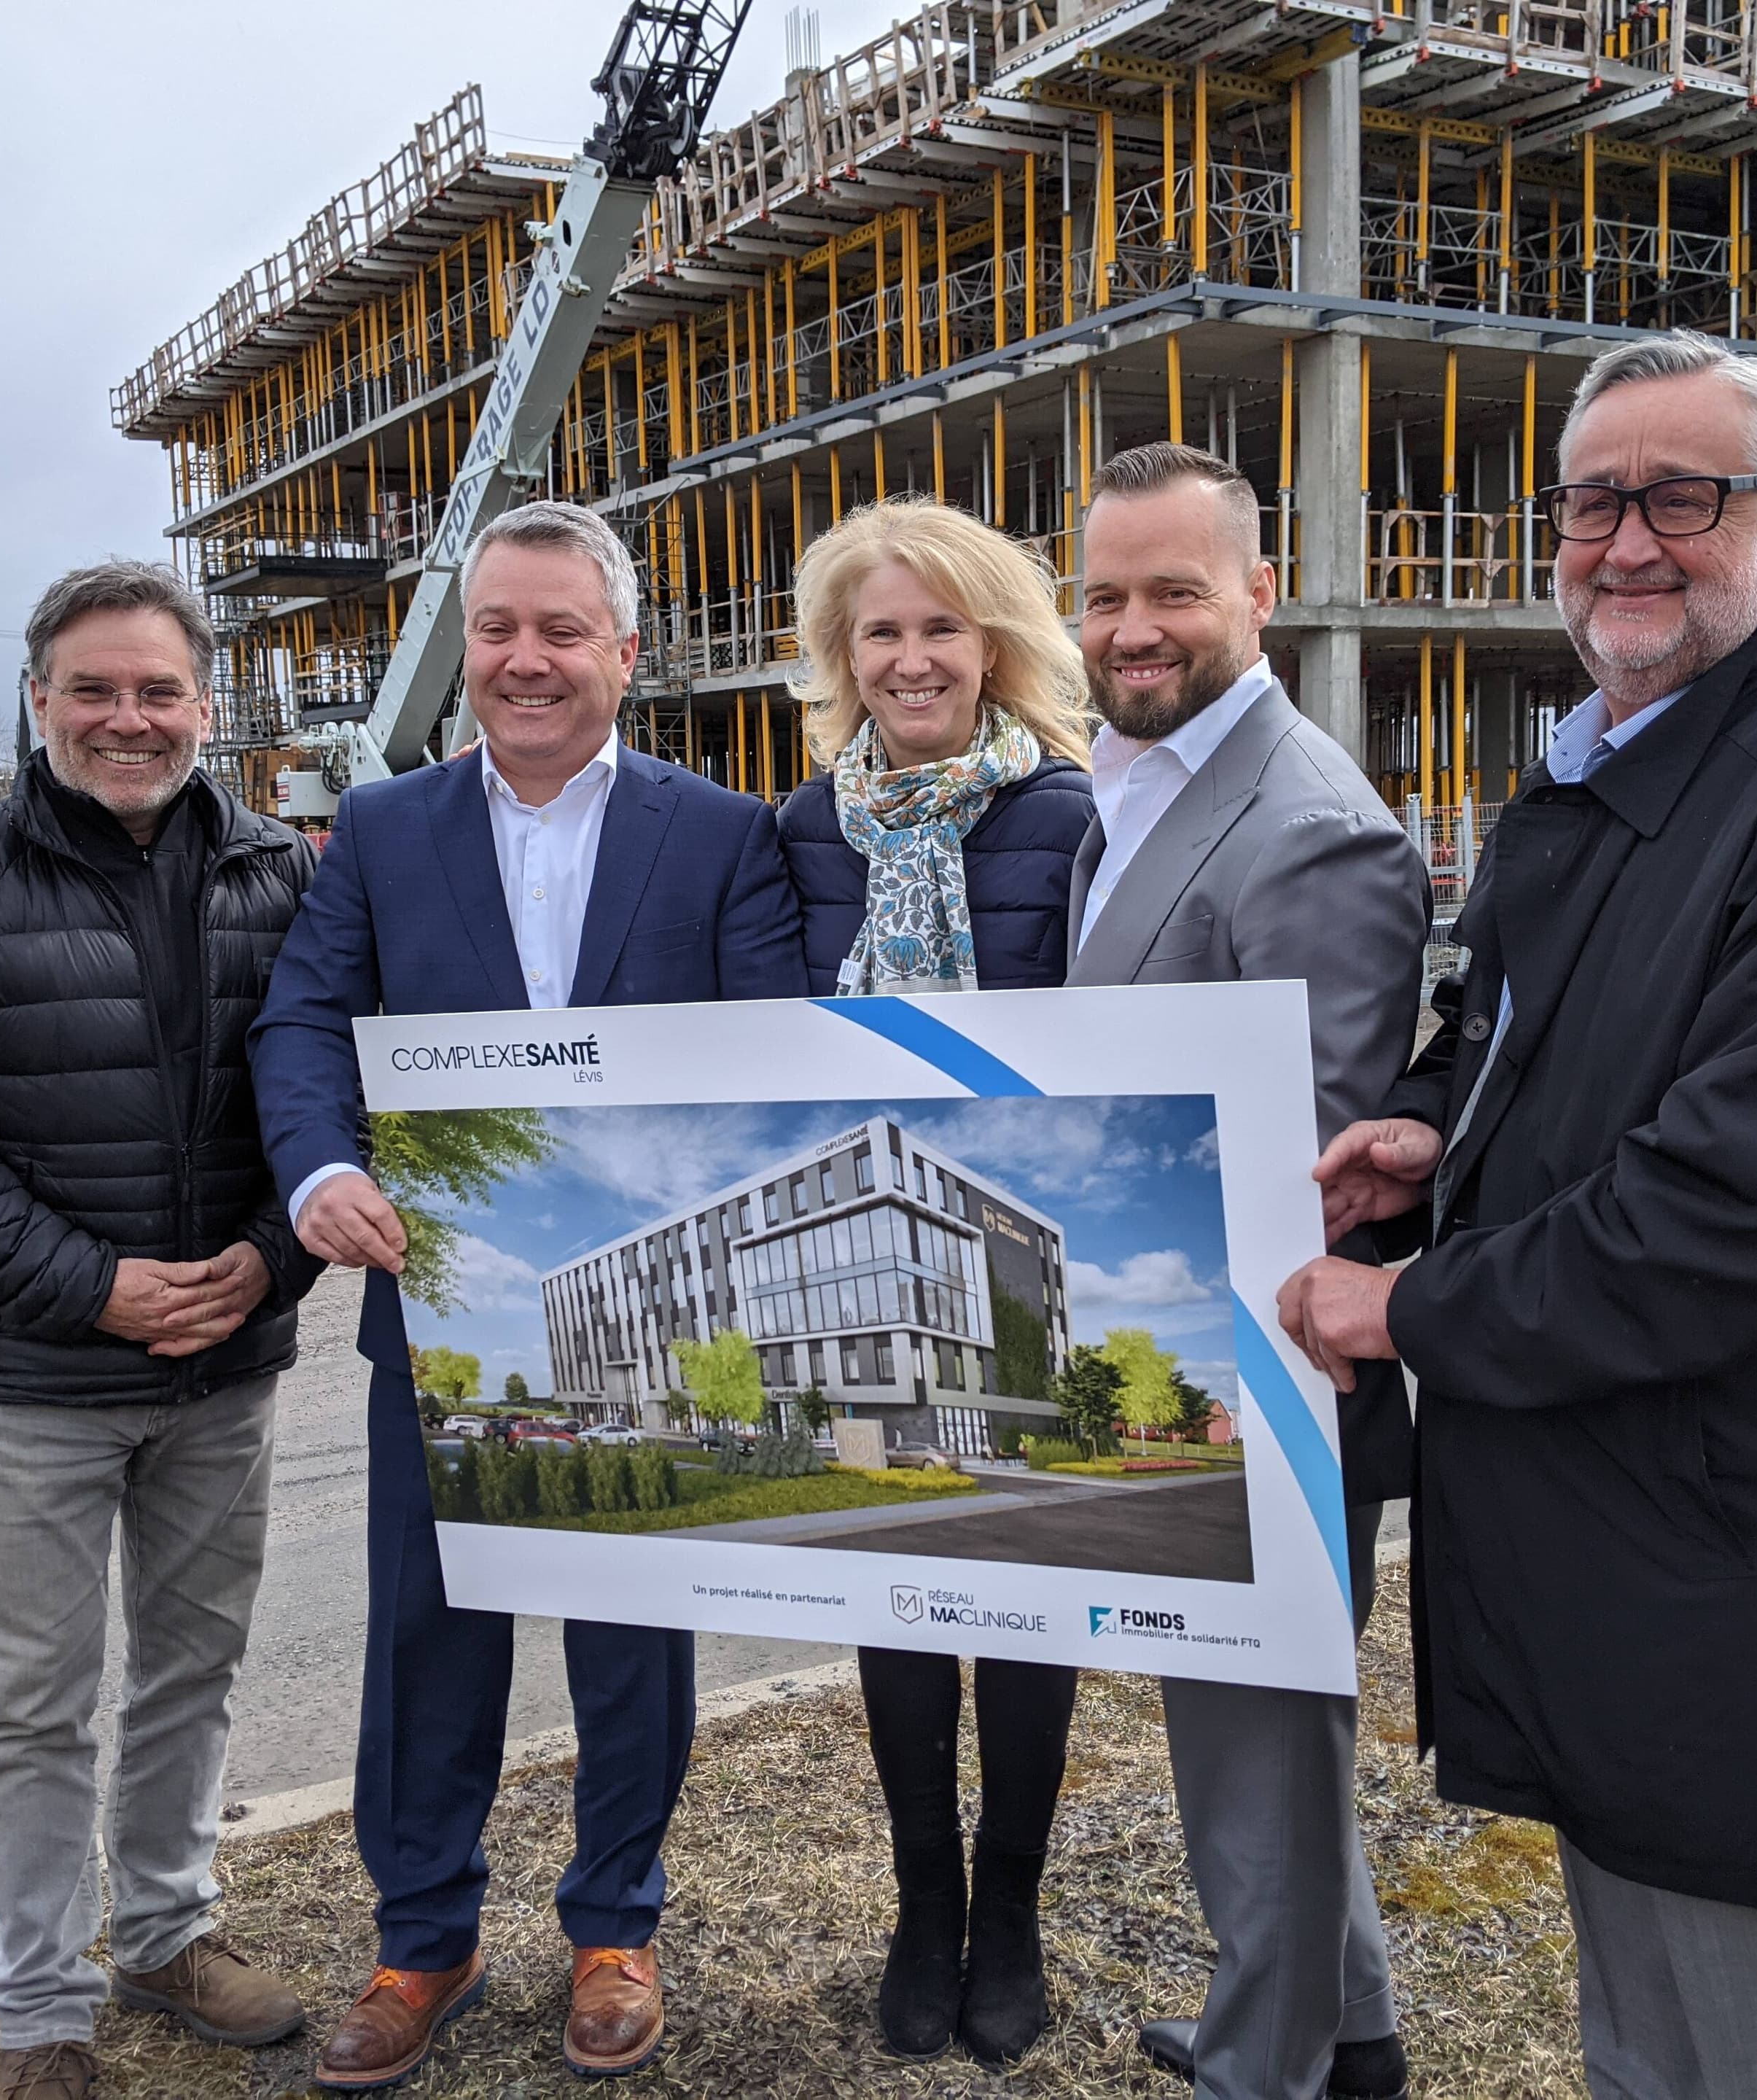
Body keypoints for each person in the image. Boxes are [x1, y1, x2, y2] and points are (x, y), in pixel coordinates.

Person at [1278, 330, 1757, 2100]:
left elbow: (1744, 1212)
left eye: (1681, 498)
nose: (1628, 541)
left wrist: (1410, 1312)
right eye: (1592, 500)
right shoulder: (1610, 781)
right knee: (1655, 2043)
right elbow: (1552, 1053)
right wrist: (1432, 1136)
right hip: (1638, 1578)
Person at [246, 500, 808, 2090]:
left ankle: (615, 1925)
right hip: (435, 1305)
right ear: (463, 652)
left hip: (634, 1300)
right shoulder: (387, 828)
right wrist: (316, 1175)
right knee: (429, 1637)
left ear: (628, 654)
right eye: (498, 629)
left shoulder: (721, 837)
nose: (526, 660)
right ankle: (422, 1937)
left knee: (636, 1637)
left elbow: (771, 1059)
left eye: (562, 630)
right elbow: (302, 1026)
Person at [0, 561, 322, 2100]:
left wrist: (264, 1263)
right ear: (39, 699)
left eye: (160, 690)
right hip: (37, 1380)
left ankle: (170, 1934)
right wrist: (86, 1285)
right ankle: (40, 2008)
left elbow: (325, 1106)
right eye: (95, 690)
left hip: (223, 1371)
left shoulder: (278, 876)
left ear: (206, 705)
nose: (129, 718)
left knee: (193, 1669)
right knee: (38, 1703)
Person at [1065, 443, 1429, 2100]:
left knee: (1258, 1749)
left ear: (1261, 596)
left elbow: (1319, 1179)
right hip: (1192, 1354)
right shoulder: (1130, 787)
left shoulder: (1307, 831)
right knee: (1258, 1740)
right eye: (1108, 595)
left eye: (1175, 592)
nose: (1135, 628)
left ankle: (1266, 2068)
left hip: (1265, 1372)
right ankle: (1339, 2034)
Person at [774, 499, 1097, 2064]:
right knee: (898, 1589)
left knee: (1027, 1598)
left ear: (996, 647)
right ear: (846, 659)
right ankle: (922, 1906)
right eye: (882, 632)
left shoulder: (1078, 818)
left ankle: (1013, 1913)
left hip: (1024, 1250)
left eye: (941, 629)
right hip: (868, 1247)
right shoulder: (797, 833)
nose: (912, 659)